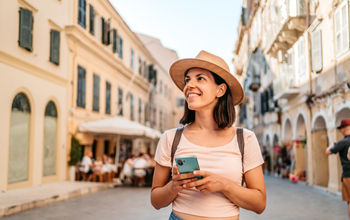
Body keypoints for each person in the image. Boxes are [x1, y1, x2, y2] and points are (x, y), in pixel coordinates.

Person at [151, 50, 266, 220]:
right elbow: (156, 201)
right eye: (187, 79)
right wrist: (174, 186)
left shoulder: (245, 139)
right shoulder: (170, 138)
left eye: (200, 78)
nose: (189, 85)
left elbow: (259, 204)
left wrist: (224, 185)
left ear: (220, 90)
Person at [326, 118, 350, 218]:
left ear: (344, 129)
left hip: (348, 176)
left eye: (341, 128)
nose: (340, 130)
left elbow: (328, 152)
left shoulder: (342, 142)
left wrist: (332, 144)